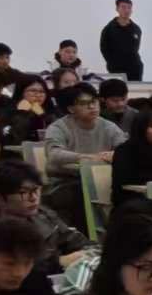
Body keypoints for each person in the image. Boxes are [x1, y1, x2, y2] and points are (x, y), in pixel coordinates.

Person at [0, 160, 91, 274]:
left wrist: (90, 252)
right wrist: (58, 262)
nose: (34, 198)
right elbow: (10, 270)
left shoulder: (43, 214)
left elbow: (76, 241)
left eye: (36, 190)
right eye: (23, 192)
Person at [45, 84, 126, 226]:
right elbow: (54, 154)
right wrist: (85, 157)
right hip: (65, 181)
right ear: (71, 109)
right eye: (84, 103)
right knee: (81, 194)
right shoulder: (58, 127)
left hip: (102, 180)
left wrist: (115, 154)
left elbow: (126, 150)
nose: (92, 107)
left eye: (94, 101)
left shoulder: (109, 127)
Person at [0, 74, 56, 148]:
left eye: (42, 92)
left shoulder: (49, 114)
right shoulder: (9, 114)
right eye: (33, 91)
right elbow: (9, 140)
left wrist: (42, 116)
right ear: (21, 92)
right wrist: (23, 113)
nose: (38, 95)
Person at [99, 0, 143, 80]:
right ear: (117, 9)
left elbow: (136, 48)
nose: (126, 10)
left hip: (135, 69)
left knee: (136, 88)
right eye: (123, 7)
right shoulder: (109, 29)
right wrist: (112, 63)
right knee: (117, 87)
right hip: (116, 69)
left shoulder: (136, 29)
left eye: (129, 7)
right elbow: (104, 49)